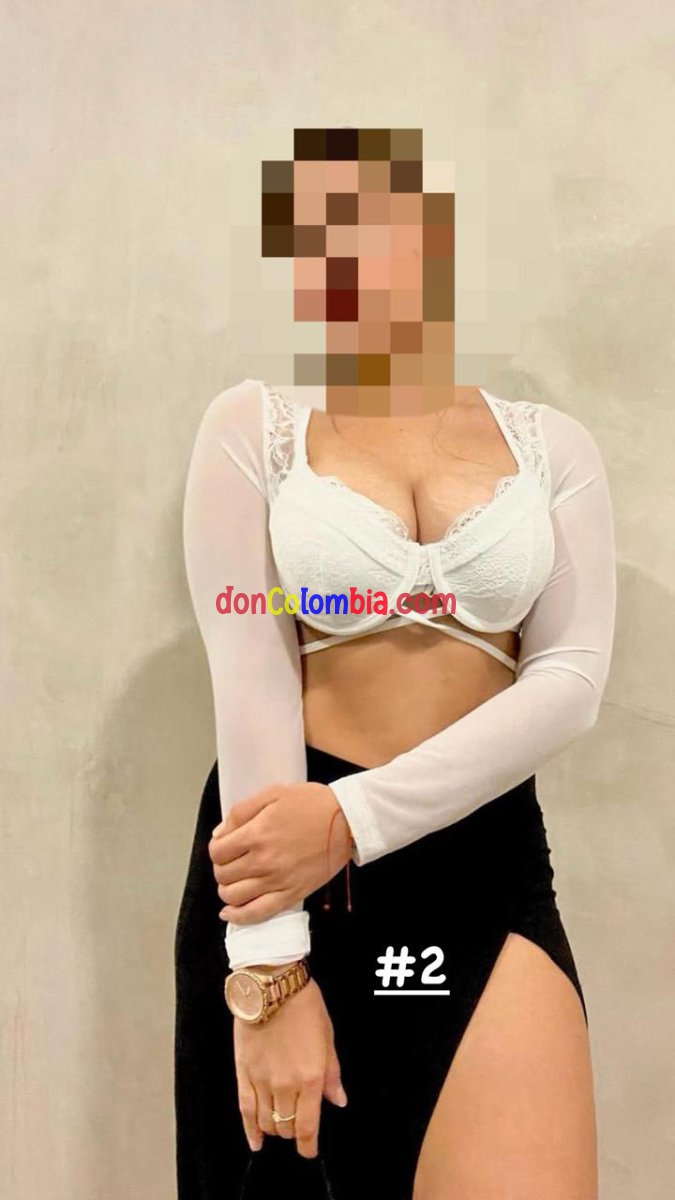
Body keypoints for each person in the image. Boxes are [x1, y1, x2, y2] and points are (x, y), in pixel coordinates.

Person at [174, 129, 616, 1200]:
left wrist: (353, 820)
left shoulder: (550, 445)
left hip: (477, 859)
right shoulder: (256, 427)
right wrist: (268, 970)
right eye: (323, 234)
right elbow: (253, 676)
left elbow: (569, 680)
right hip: (287, 869)